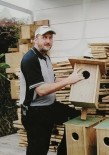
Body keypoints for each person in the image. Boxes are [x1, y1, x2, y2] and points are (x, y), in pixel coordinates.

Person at [20, 25, 84, 155]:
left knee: (75, 117)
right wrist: (68, 81)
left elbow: (52, 81)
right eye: (44, 37)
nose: (48, 41)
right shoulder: (30, 60)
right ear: (35, 39)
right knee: (38, 150)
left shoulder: (46, 57)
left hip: (49, 107)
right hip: (35, 112)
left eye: (50, 38)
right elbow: (41, 90)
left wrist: (74, 79)